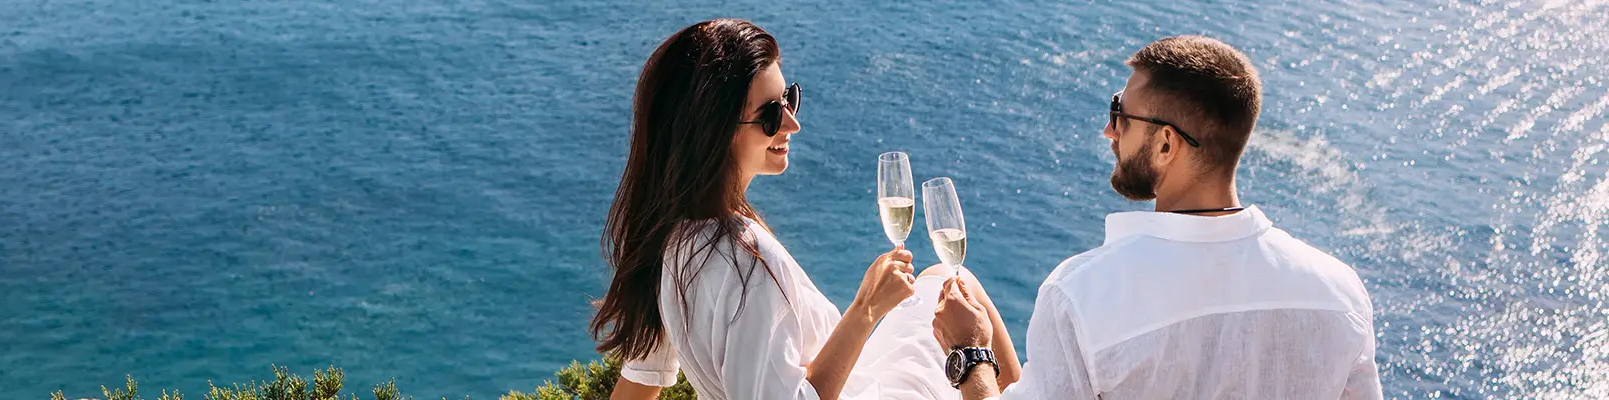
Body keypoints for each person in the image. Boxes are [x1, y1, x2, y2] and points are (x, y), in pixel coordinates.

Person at [933, 35, 1383, 399]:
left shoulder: (1085, 295)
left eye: (1120, 115)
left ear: (1167, 145)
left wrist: (969, 353)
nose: (1109, 130)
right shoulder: (1339, 293)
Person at [590, 19, 922, 399]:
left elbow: (639, 383)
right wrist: (867, 307)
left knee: (940, 285)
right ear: (713, 132)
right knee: (955, 299)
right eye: (769, 116)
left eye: (788, 99)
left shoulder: (671, 237)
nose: (792, 123)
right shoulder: (748, 263)